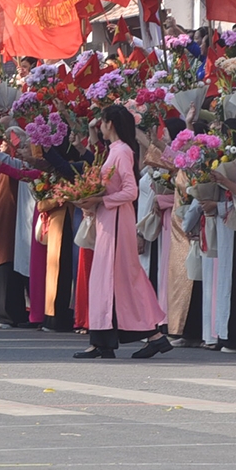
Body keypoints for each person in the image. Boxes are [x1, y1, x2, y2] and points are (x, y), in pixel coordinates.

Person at [73, 105, 169, 359]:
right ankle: (104, 340)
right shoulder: (115, 150)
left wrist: (101, 200)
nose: (99, 126)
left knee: (124, 278)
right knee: (109, 280)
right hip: (110, 220)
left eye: (102, 122)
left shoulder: (123, 151)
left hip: (117, 221)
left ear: (110, 123)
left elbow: (131, 191)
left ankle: (152, 335)